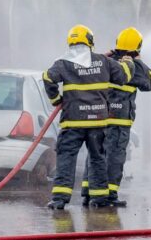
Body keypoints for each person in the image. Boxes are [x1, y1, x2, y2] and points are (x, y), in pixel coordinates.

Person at [43, 24, 135, 210]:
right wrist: (129, 62)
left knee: (66, 158)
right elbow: (124, 76)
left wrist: (56, 100)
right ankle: (99, 198)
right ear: (90, 41)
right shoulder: (103, 61)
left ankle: (60, 199)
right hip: (97, 122)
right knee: (97, 158)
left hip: (72, 122)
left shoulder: (63, 63)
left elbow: (47, 78)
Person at [81, 26, 151, 207]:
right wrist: (139, 61)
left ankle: (88, 192)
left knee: (95, 155)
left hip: (98, 119)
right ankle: (109, 196)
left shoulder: (105, 62)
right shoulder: (134, 66)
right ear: (138, 46)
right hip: (118, 122)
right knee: (114, 158)